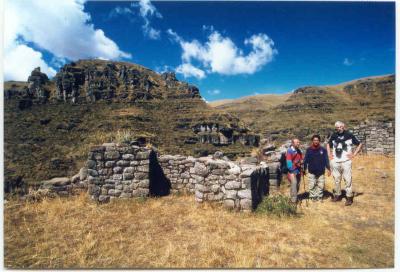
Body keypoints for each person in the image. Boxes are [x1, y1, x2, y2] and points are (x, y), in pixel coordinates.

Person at [327, 121, 362, 206]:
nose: (338, 128)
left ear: (343, 126)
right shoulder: (334, 135)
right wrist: (329, 154)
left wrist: (353, 154)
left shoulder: (349, 135)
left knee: (348, 179)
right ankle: (338, 195)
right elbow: (328, 144)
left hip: (346, 161)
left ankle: (349, 197)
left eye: (340, 127)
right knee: (336, 179)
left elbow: (360, 144)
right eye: (337, 127)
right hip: (335, 161)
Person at [303, 134, 331, 202]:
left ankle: (319, 196)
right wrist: (304, 169)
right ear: (312, 141)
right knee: (312, 185)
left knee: (321, 185)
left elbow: (326, 159)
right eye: (314, 140)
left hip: (321, 170)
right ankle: (313, 197)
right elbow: (305, 160)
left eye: (317, 140)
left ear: (319, 141)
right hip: (311, 171)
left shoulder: (323, 150)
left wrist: (328, 169)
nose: (316, 141)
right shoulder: (309, 150)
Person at [286, 138, 303, 203]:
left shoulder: (299, 150)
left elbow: (301, 159)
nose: (298, 143)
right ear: (293, 143)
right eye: (297, 142)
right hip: (292, 171)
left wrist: (301, 162)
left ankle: (294, 197)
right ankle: (293, 201)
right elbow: (289, 162)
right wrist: (292, 170)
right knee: (294, 184)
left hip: (298, 170)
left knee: (297, 185)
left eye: (299, 142)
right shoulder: (289, 151)